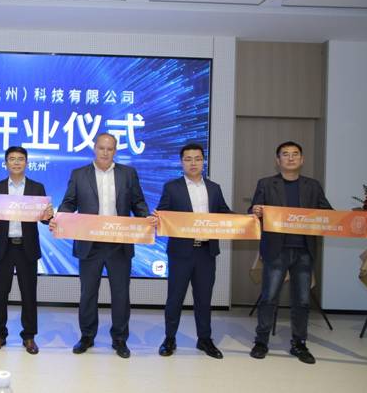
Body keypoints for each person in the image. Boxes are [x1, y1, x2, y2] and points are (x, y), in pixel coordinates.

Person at [50, 133, 155, 359]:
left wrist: (146, 218)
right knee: (88, 293)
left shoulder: (128, 174)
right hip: (90, 244)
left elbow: (137, 202)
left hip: (119, 244)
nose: (105, 152)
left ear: (115, 150)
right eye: (101, 148)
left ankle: (120, 338)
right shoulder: (79, 174)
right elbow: (69, 203)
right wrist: (60, 219)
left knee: (121, 294)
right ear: (94, 148)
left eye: (110, 149)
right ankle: (87, 336)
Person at [249, 141, 332, 364]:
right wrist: (255, 210)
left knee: (302, 301)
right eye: (285, 154)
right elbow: (253, 212)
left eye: (295, 154)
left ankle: (299, 343)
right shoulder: (266, 184)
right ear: (278, 160)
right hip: (276, 250)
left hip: (304, 250)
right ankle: (261, 341)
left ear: (302, 159)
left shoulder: (312, 186)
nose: (291, 158)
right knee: (269, 298)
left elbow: (327, 213)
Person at [153, 143, 231, 359]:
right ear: (181, 163)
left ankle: (204, 339)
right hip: (180, 253)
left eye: (197, 158)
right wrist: (157, 217)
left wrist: (247, 220)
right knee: (175, 298)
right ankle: (170, 338)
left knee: (204, 299)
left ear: (203, 161)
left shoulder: (214, 188)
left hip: (206, 252)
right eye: (188, 159)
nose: (193, 163)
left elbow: (224, 213)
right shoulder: (172, 187)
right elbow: (164, 213)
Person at [0, 146, 53, 355]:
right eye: (12, 159)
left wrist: (49, 214)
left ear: (27, 163)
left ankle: (29, 336)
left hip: (27, 248)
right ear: (6, 163)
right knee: (0, 294)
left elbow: (45, 221)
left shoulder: (37, 188)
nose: (16, 162)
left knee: (29, 294)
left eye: (20, 159)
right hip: (4, 247)